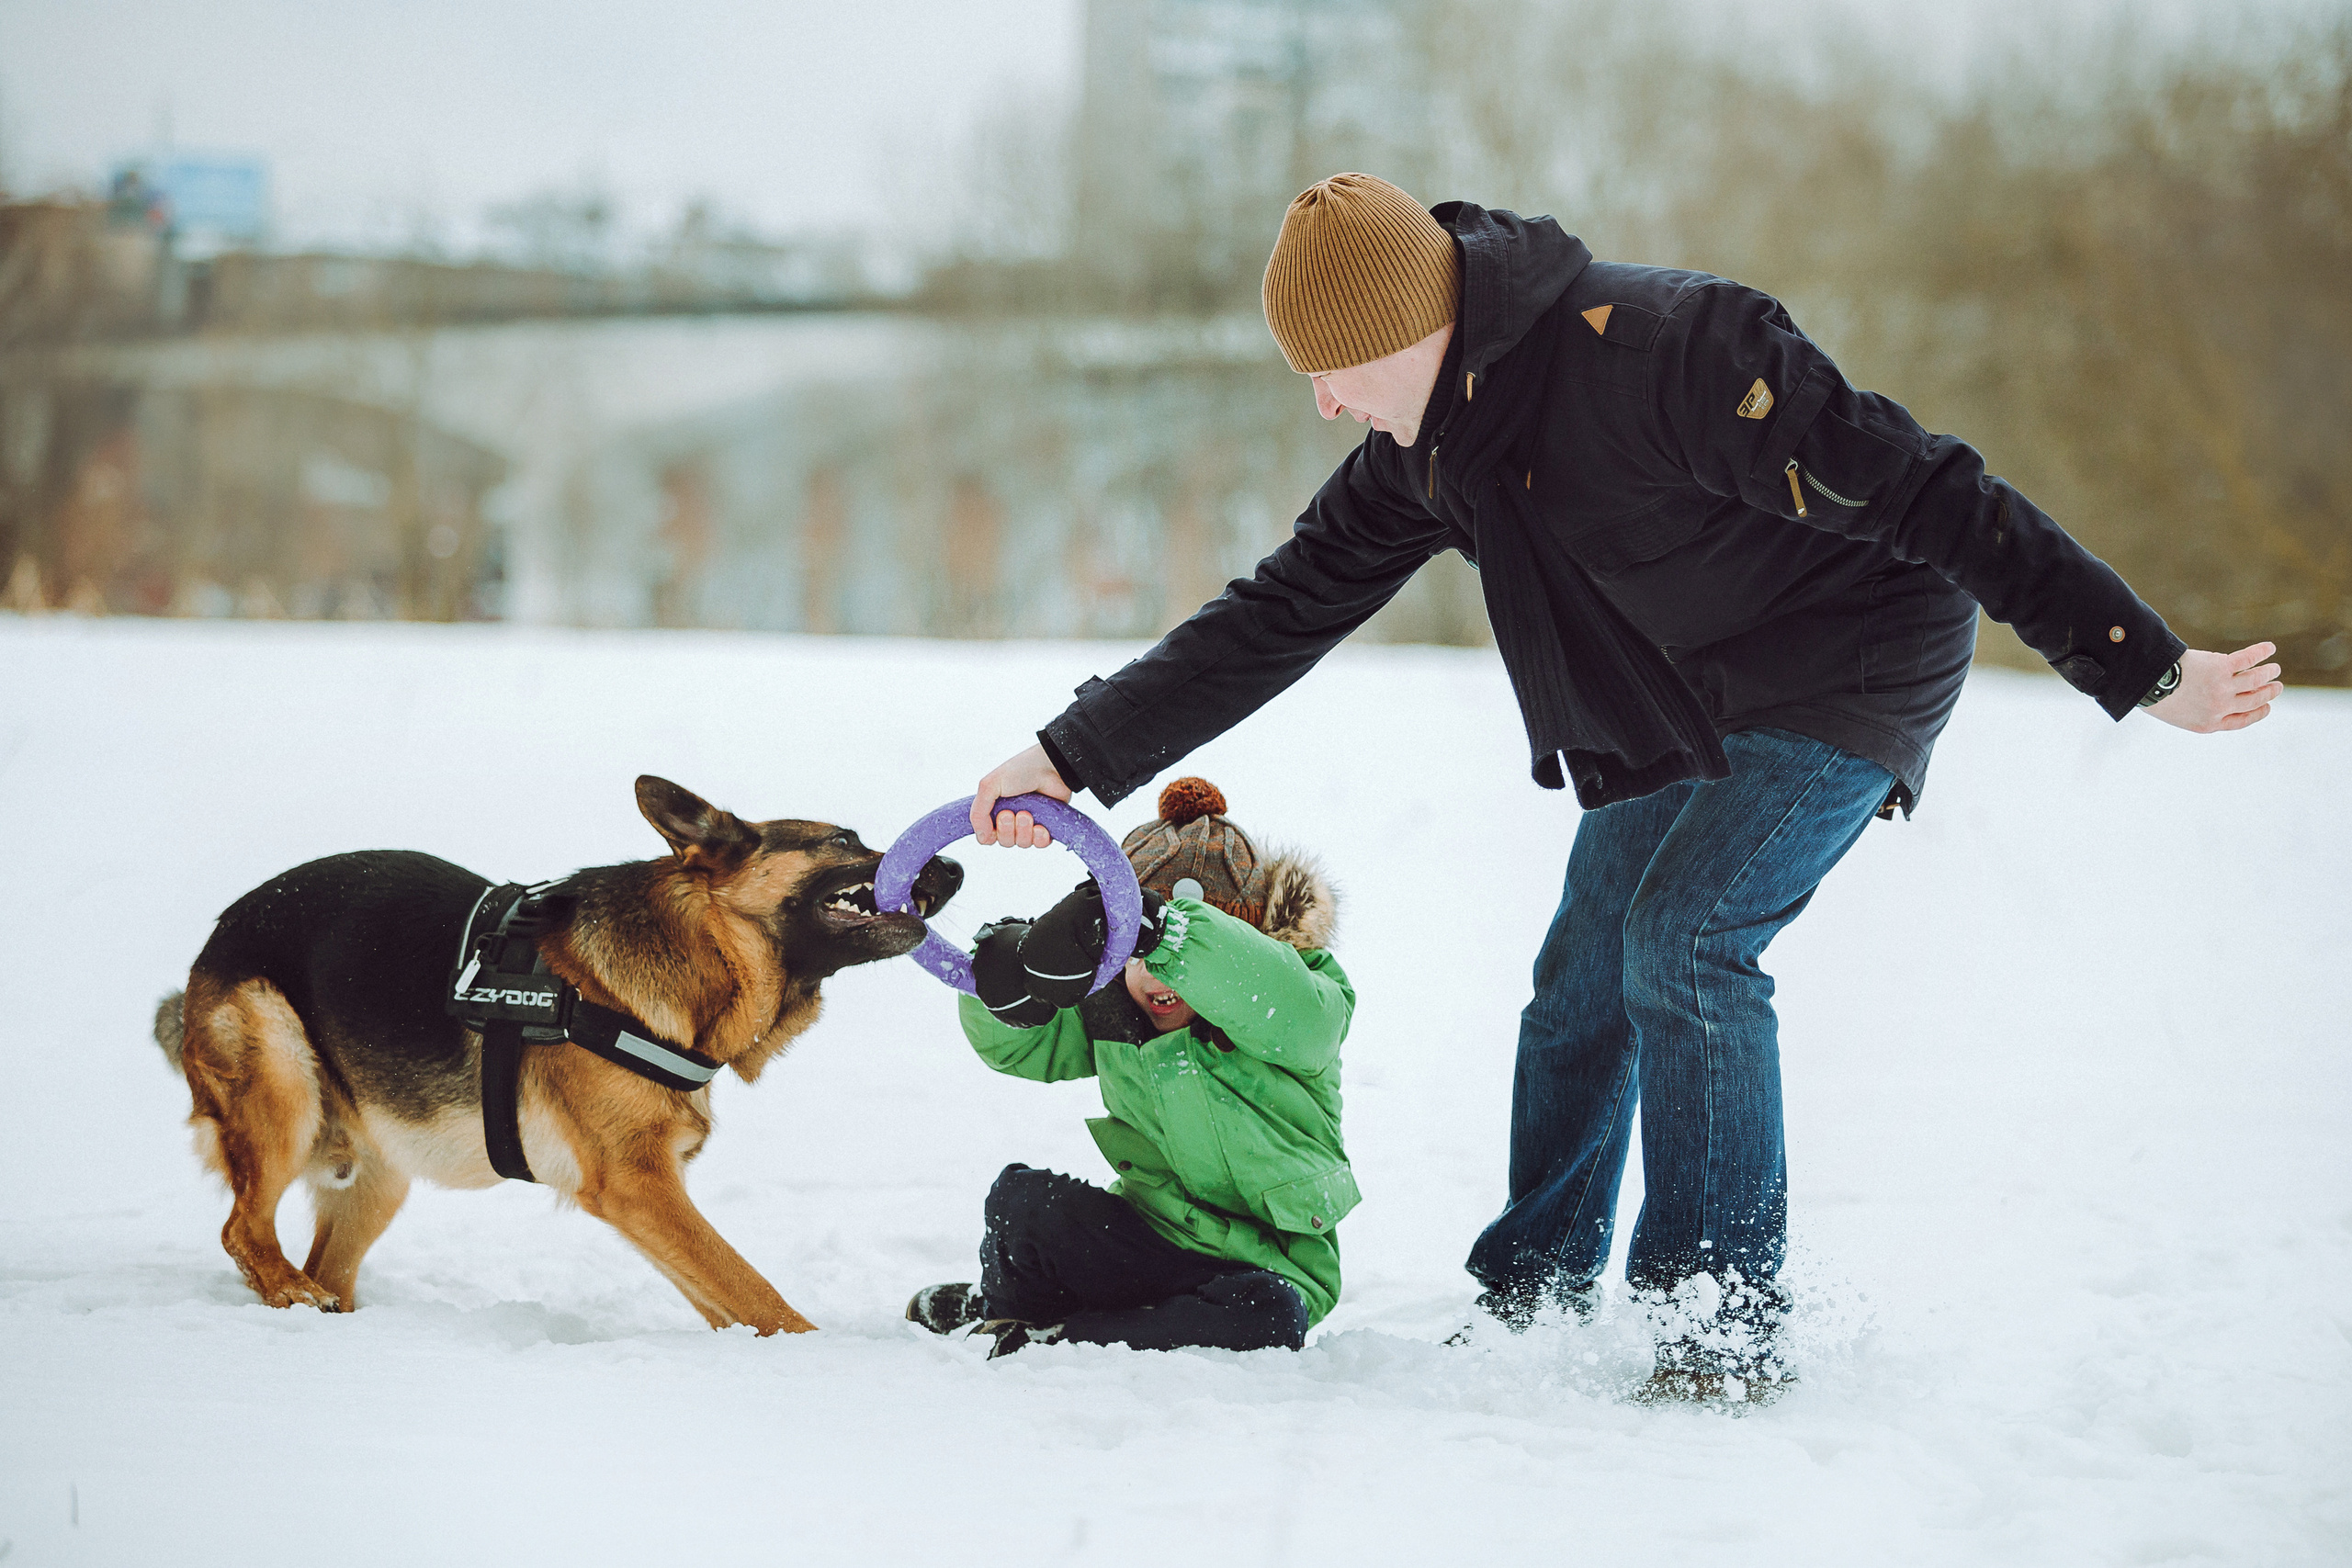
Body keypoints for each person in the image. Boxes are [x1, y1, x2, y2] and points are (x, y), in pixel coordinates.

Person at [967, 174, 2281, 1402]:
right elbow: (1274, 613)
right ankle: (1534, 1288)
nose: (1322, 403)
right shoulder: (1428, 448)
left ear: (1414, 326)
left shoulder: (1669, 352)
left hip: (1853, 655)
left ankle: (1715, 1323)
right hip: (1687, 682)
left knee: (1688, 941)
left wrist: (2141, 660)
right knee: (1587, 966)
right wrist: (1072, 754)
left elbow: (1934, 488)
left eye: (1333, 371)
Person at [908, 777, 1354, 1357]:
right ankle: (1006, 1307)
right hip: (1148, 1240)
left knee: (1265, 1320)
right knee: (1023, 1202)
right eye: (1138, 956)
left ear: (1254, 940)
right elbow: (1020, 1046)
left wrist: (1167, 934)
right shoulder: (1114, 1009)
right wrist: (1004, 979)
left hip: (1265, 1270)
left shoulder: (1297, 1005)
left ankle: (1061, 1333)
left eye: (1176, 959)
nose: (1158, 978)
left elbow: (1279, 999)